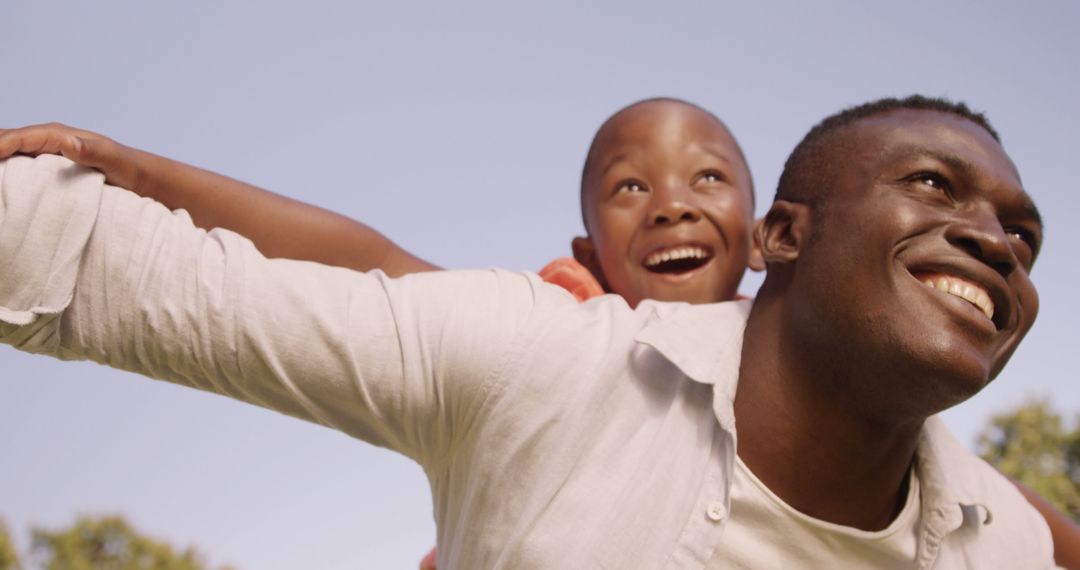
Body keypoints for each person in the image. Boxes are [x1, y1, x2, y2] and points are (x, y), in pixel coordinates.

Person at [2, 98, 1077, 568]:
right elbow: (366, 260)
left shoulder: (984, 514)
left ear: (756, 234)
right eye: (629, 188)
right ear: (788, 239)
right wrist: (140, 172)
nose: (670, 206)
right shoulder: (550, 344)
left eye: (708, 180)